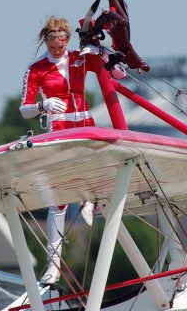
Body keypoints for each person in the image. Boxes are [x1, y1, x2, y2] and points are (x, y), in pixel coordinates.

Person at [20, 16, 126, 285]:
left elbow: (119, 74)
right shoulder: (37, 68)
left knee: (97, 165)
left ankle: (89, 199)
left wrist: (101, 53)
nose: (58, 50)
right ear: (46, 40)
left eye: (62, 44)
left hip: (84, 120)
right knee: (58, 196)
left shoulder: (80, 57)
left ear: (68, 39)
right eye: (53, 45)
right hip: (59, 126)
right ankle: (53, 263)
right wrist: (43, 106)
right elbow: (24, 109)